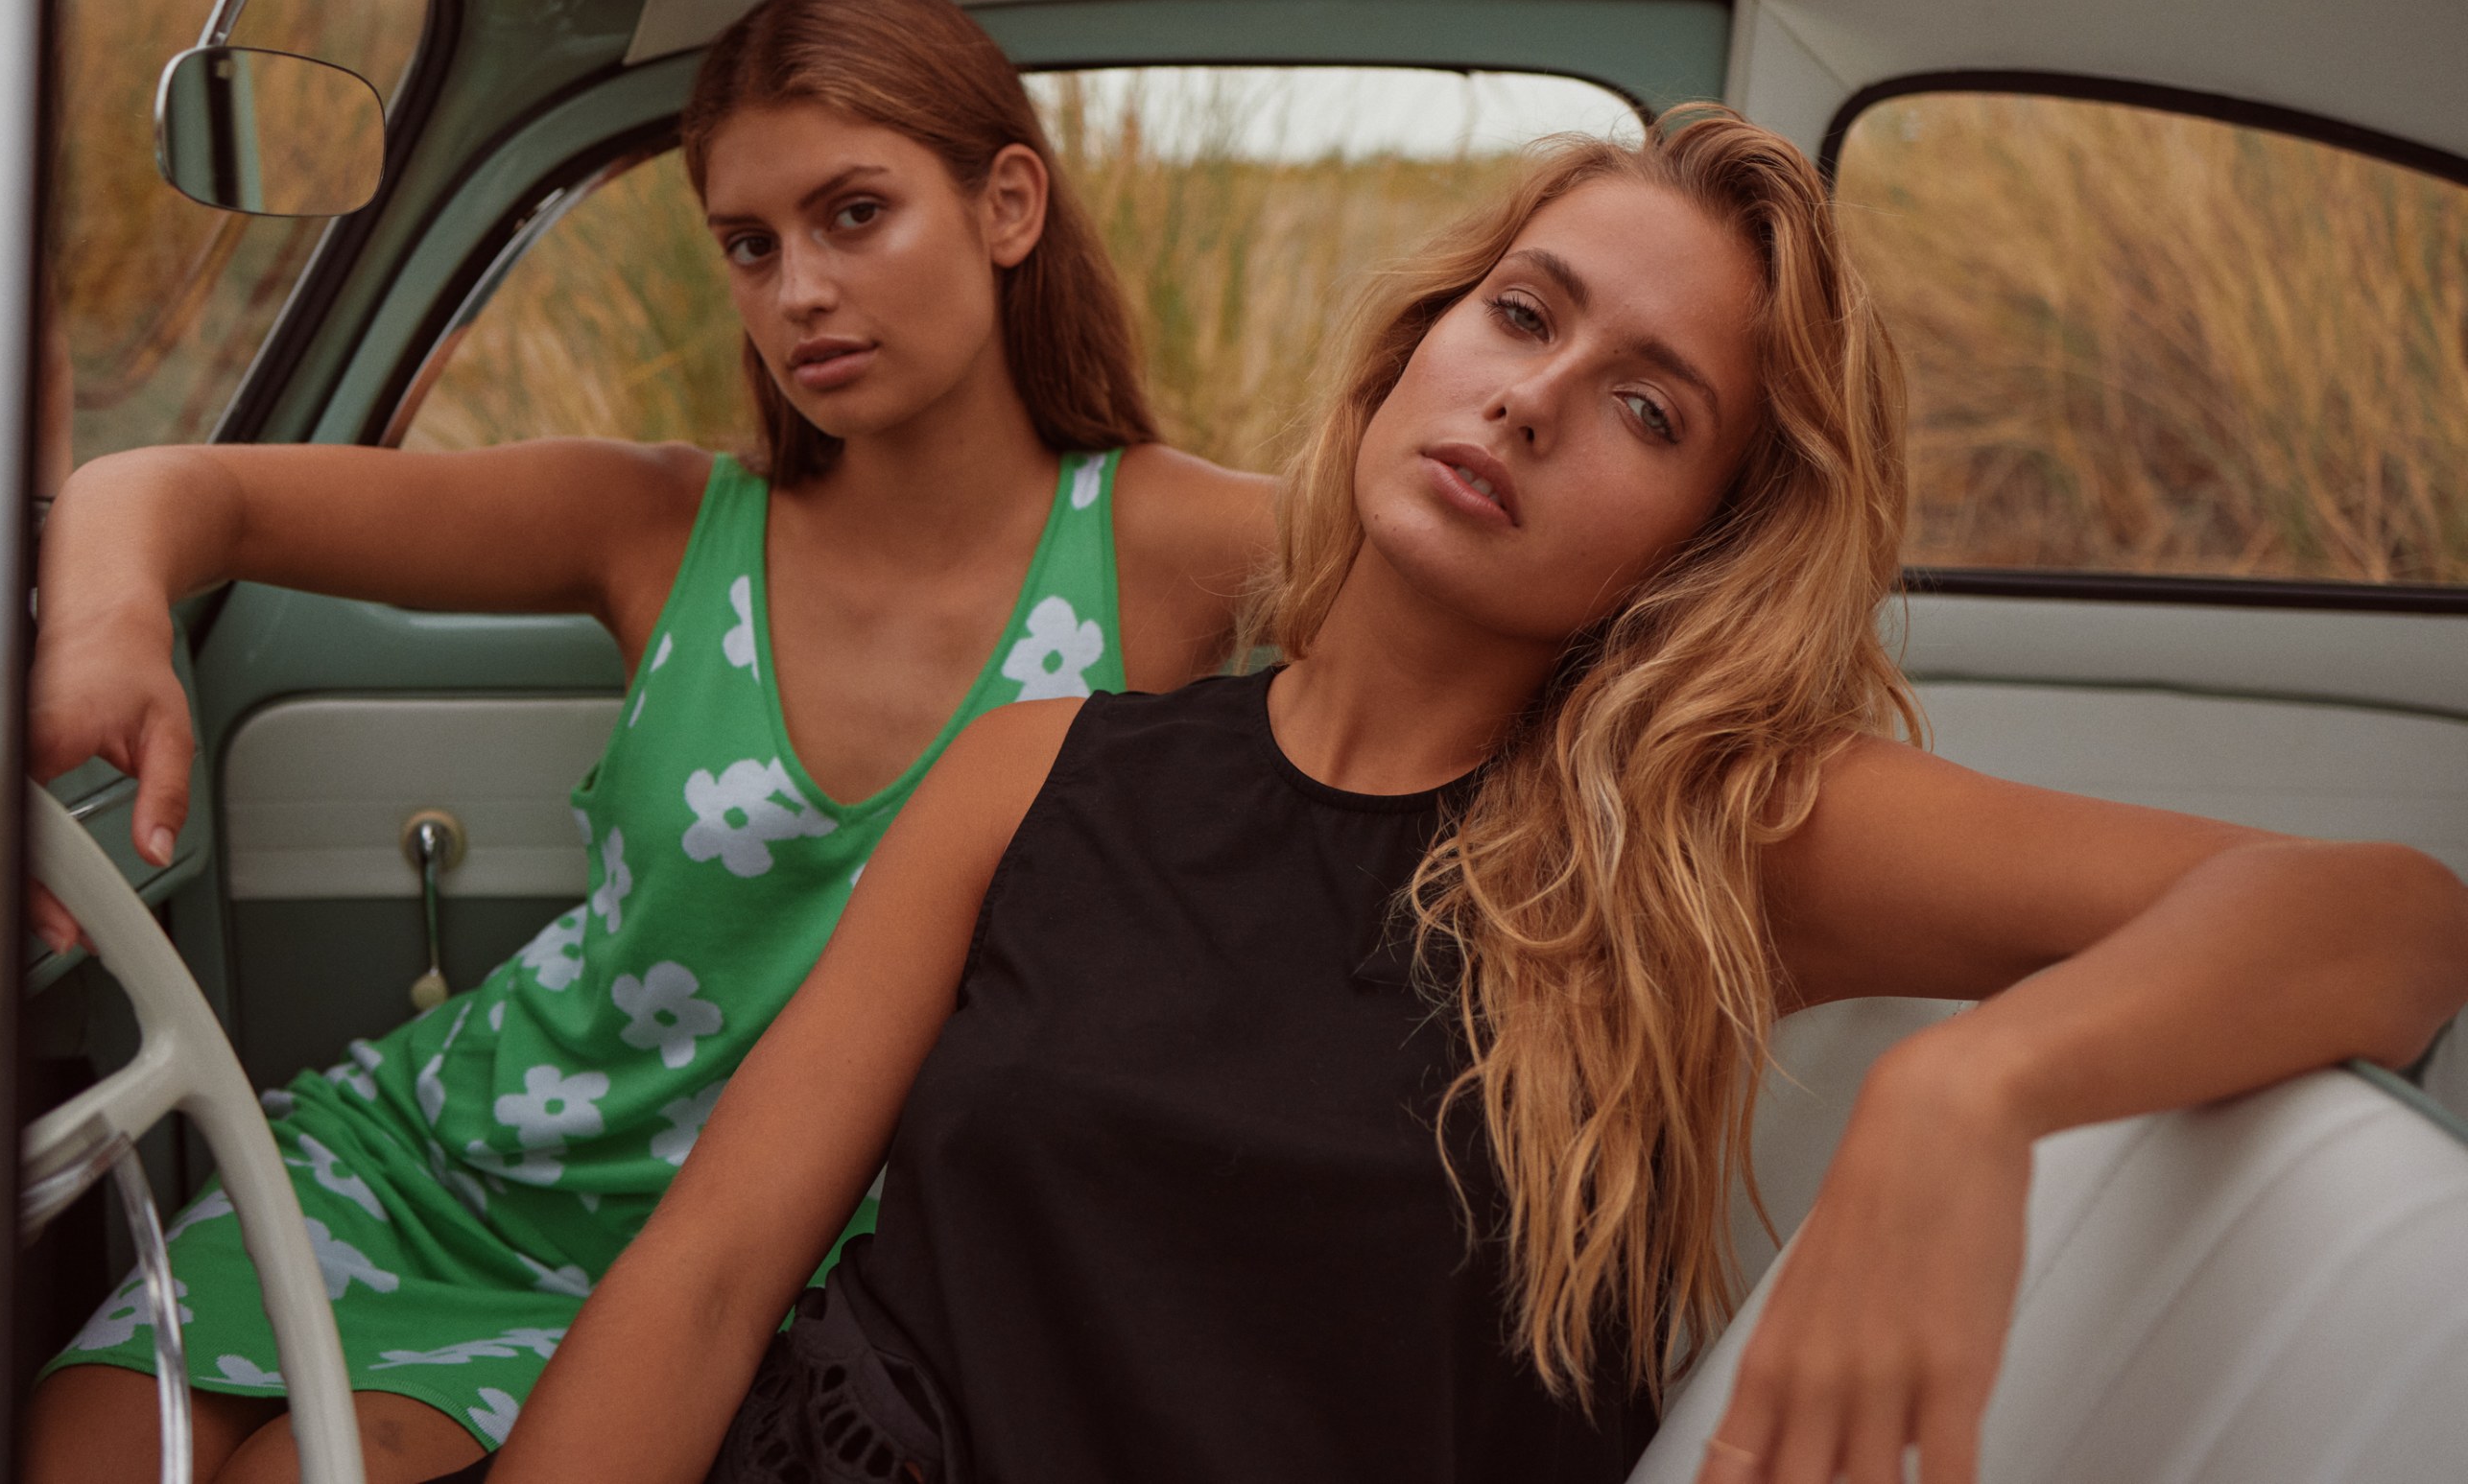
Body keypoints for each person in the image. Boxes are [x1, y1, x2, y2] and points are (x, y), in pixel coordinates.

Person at [481, 110, 2468, 1484]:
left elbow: (2386, 916)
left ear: (1694, 539)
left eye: (1645, 403)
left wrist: (1974, 1090)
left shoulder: (1702, 836)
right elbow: (715, 1268)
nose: (1527, 393)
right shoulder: (1041, 762)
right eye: (1521, 312)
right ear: (1422, 336)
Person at [22, 0, 1272, 1484]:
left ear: (1008, 205)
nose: (798, 288)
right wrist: (104, 629)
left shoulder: (1177, 543)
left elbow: (1519, 605)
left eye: (854, 214)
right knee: (81, 1452)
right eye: (750, 244)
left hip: (752, 1268)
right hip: (430, 1167)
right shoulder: (656, 521)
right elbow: (172, 491)